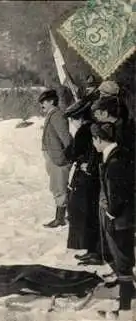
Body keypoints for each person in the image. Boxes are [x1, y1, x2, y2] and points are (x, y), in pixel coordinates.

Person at [91, 123, 134, 318]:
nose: (93, 144)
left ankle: (125, 310)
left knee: (123, 262)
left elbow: (118, 193)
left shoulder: (115, 161)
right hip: (122, 219)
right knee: (122, 260)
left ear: (99, 139)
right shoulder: (118, 154)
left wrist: (110, 214)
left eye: (94, 140)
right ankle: (129, 301)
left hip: (119, 220)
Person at [64, 109, 102, 265]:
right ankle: (93, 250)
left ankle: (94, 251)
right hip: (92, 176)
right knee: (90, 213)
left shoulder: (84, 131)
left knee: (86, 213)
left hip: (86, 177)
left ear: (79, 118)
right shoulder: (94, 128)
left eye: (73, 119)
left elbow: (70, 153)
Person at [39, 89, 73, 228]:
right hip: (53, 157)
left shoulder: (57, 115)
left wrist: (69, 155)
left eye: (44, 102)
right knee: (57, 186)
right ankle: (69, 215)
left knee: (59, 187)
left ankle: (60, 219)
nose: (42, 105)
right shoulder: (52, 114)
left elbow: (65, 137)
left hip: (58, 158)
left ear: (52, 101)